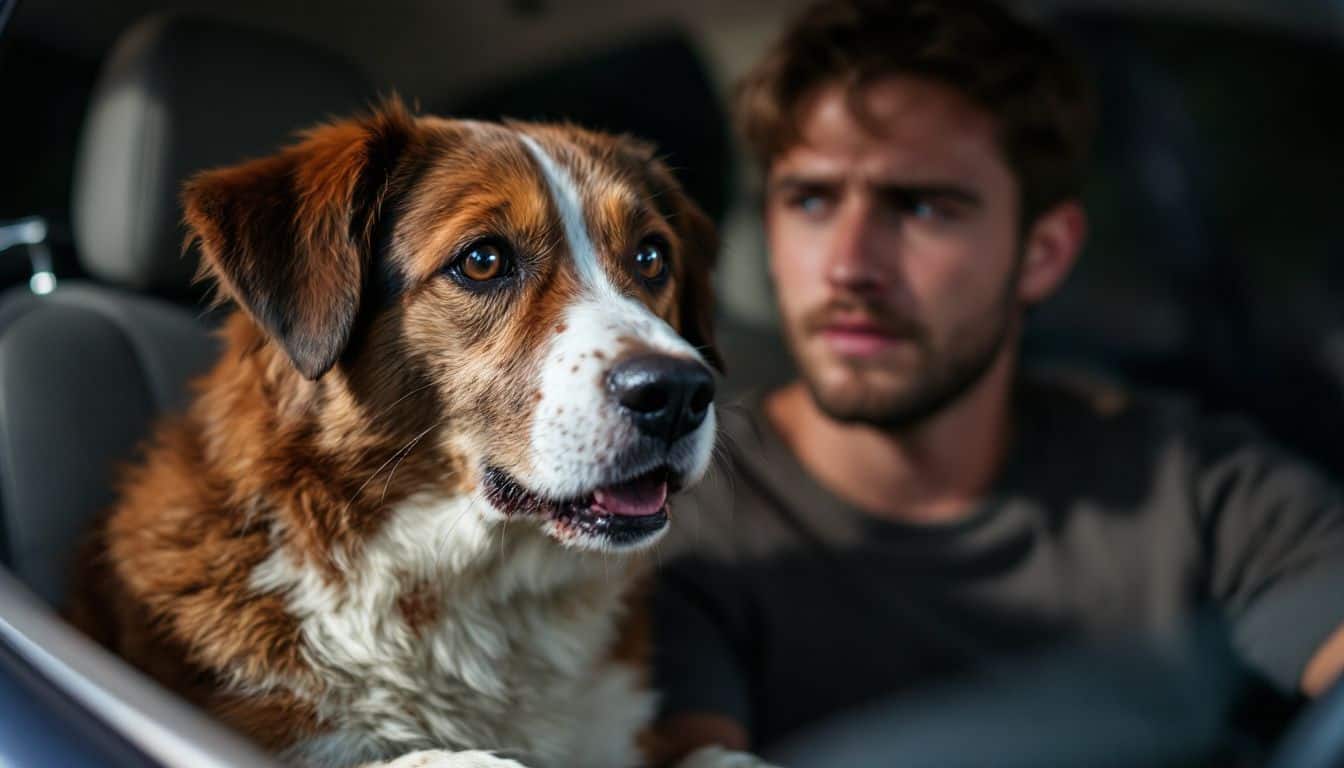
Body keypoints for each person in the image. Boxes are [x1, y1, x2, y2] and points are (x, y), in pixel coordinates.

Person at [650, 0, 1344, 761]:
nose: (849, 266)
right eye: (810, 200)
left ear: (1043, 253)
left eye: (919, 207)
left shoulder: (1189, 485)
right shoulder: (679, 522)